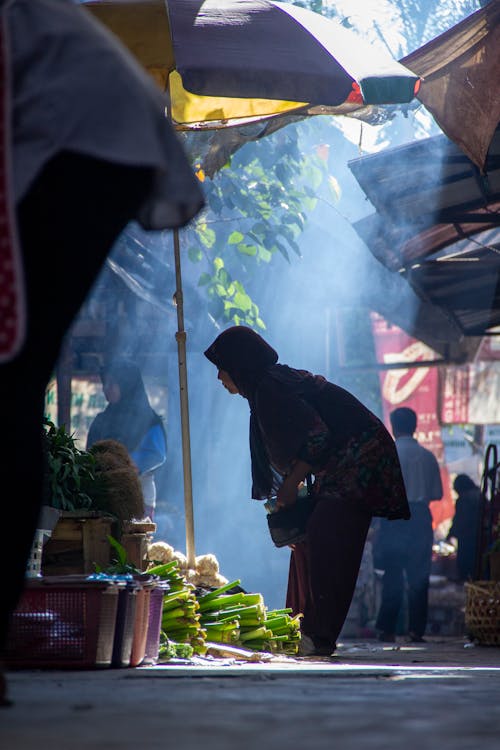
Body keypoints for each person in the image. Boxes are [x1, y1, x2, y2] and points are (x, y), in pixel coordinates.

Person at [0, 0, 203, 705]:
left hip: (89, 134)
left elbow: (152, 456)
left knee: (9, 383)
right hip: (91, 123)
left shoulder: (136, 421)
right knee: (11, 386)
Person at [204, 326, 410, 657]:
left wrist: (289, 484)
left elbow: (318, 437)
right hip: (341, 462)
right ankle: (304, 626)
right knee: (309, 537)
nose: (219, 377)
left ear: (240, 365)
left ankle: (319, 635)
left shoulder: (272, 388)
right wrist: (294, 486)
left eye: (222, 367)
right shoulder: (267, 387)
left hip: (360, 455)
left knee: (327, 533)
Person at [375, 407, 443, 643]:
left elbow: (378, 493)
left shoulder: (387, 454)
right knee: (418, 577)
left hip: (393, 517)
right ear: (415, 426)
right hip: (420, 518)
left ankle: (387, 629)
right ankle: (416, 630)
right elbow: (436, 493)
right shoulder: (427, 456)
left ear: (393, 426)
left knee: (392, 574)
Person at [87, 359, 167, 520]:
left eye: (112, 383)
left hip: (138, 493)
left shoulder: (149, 420)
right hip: (104, 493)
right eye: (104, 383)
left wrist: (124, 467)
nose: (105, 389)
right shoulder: (101, 420)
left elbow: (157, 454)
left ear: (127, 385)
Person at [446, 474, 482, 581]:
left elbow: (460, 519)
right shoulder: (479, 495)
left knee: (465, 561)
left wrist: (451, 533)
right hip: (480, 535)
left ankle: (464, 579)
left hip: (467, 536)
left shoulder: (464, 499)